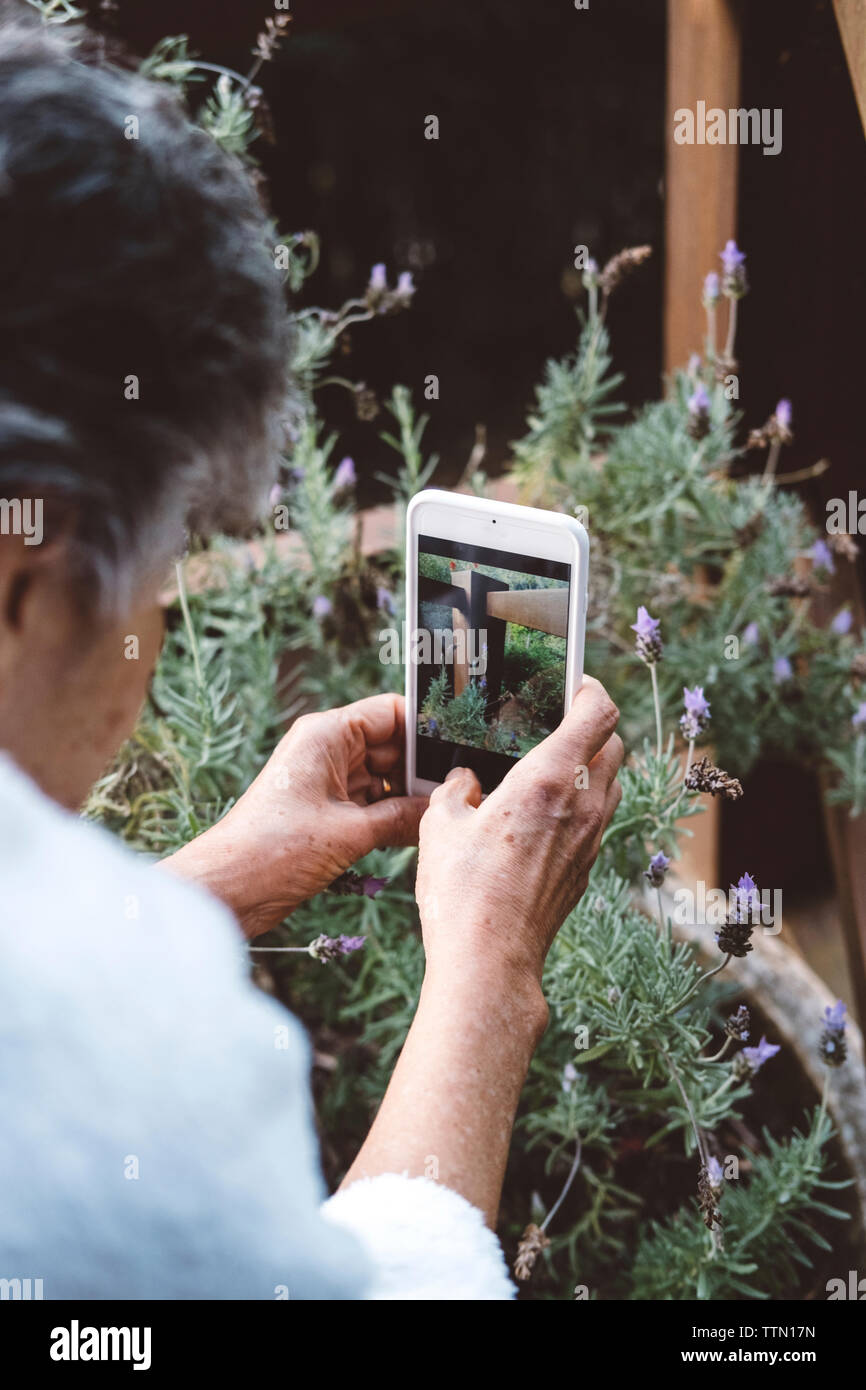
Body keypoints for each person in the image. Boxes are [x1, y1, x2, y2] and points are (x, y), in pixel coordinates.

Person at [0, 13, 623, 1299]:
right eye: (171, 552)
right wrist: (490, 973)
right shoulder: (135, 1056)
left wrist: (218, 876)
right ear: (26, 573)